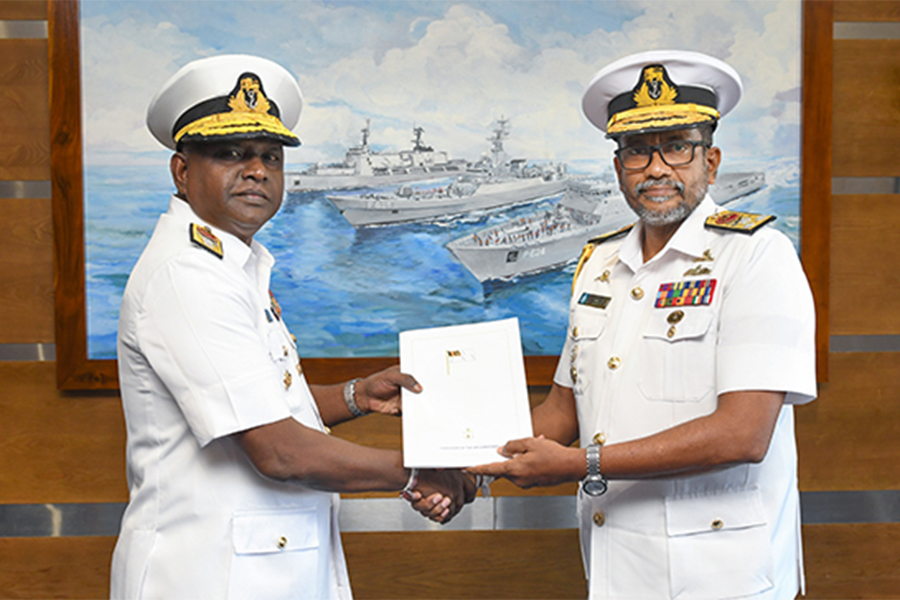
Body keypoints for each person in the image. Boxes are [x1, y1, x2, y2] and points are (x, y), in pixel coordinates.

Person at [111, 54, 475, 600]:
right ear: (182, 172)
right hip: (207, 576)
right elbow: (279, 450)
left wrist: (354, 396)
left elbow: (257, 401)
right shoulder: (186, 275)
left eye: (270, 156)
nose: (256, 170)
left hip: (260, 567)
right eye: (230, 153)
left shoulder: (231, 264)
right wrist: (419, 474)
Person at [469, 50, 817, 600]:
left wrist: (579, 464)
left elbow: (744, 433)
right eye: (637, 151)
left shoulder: (757, 257)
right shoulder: (599, 266)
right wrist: (471, 469)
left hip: (723, 576)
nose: (657, 168)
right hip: (615, 567)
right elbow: (564, 409)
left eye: (678, 146)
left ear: (712, 160)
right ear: (618, 168)